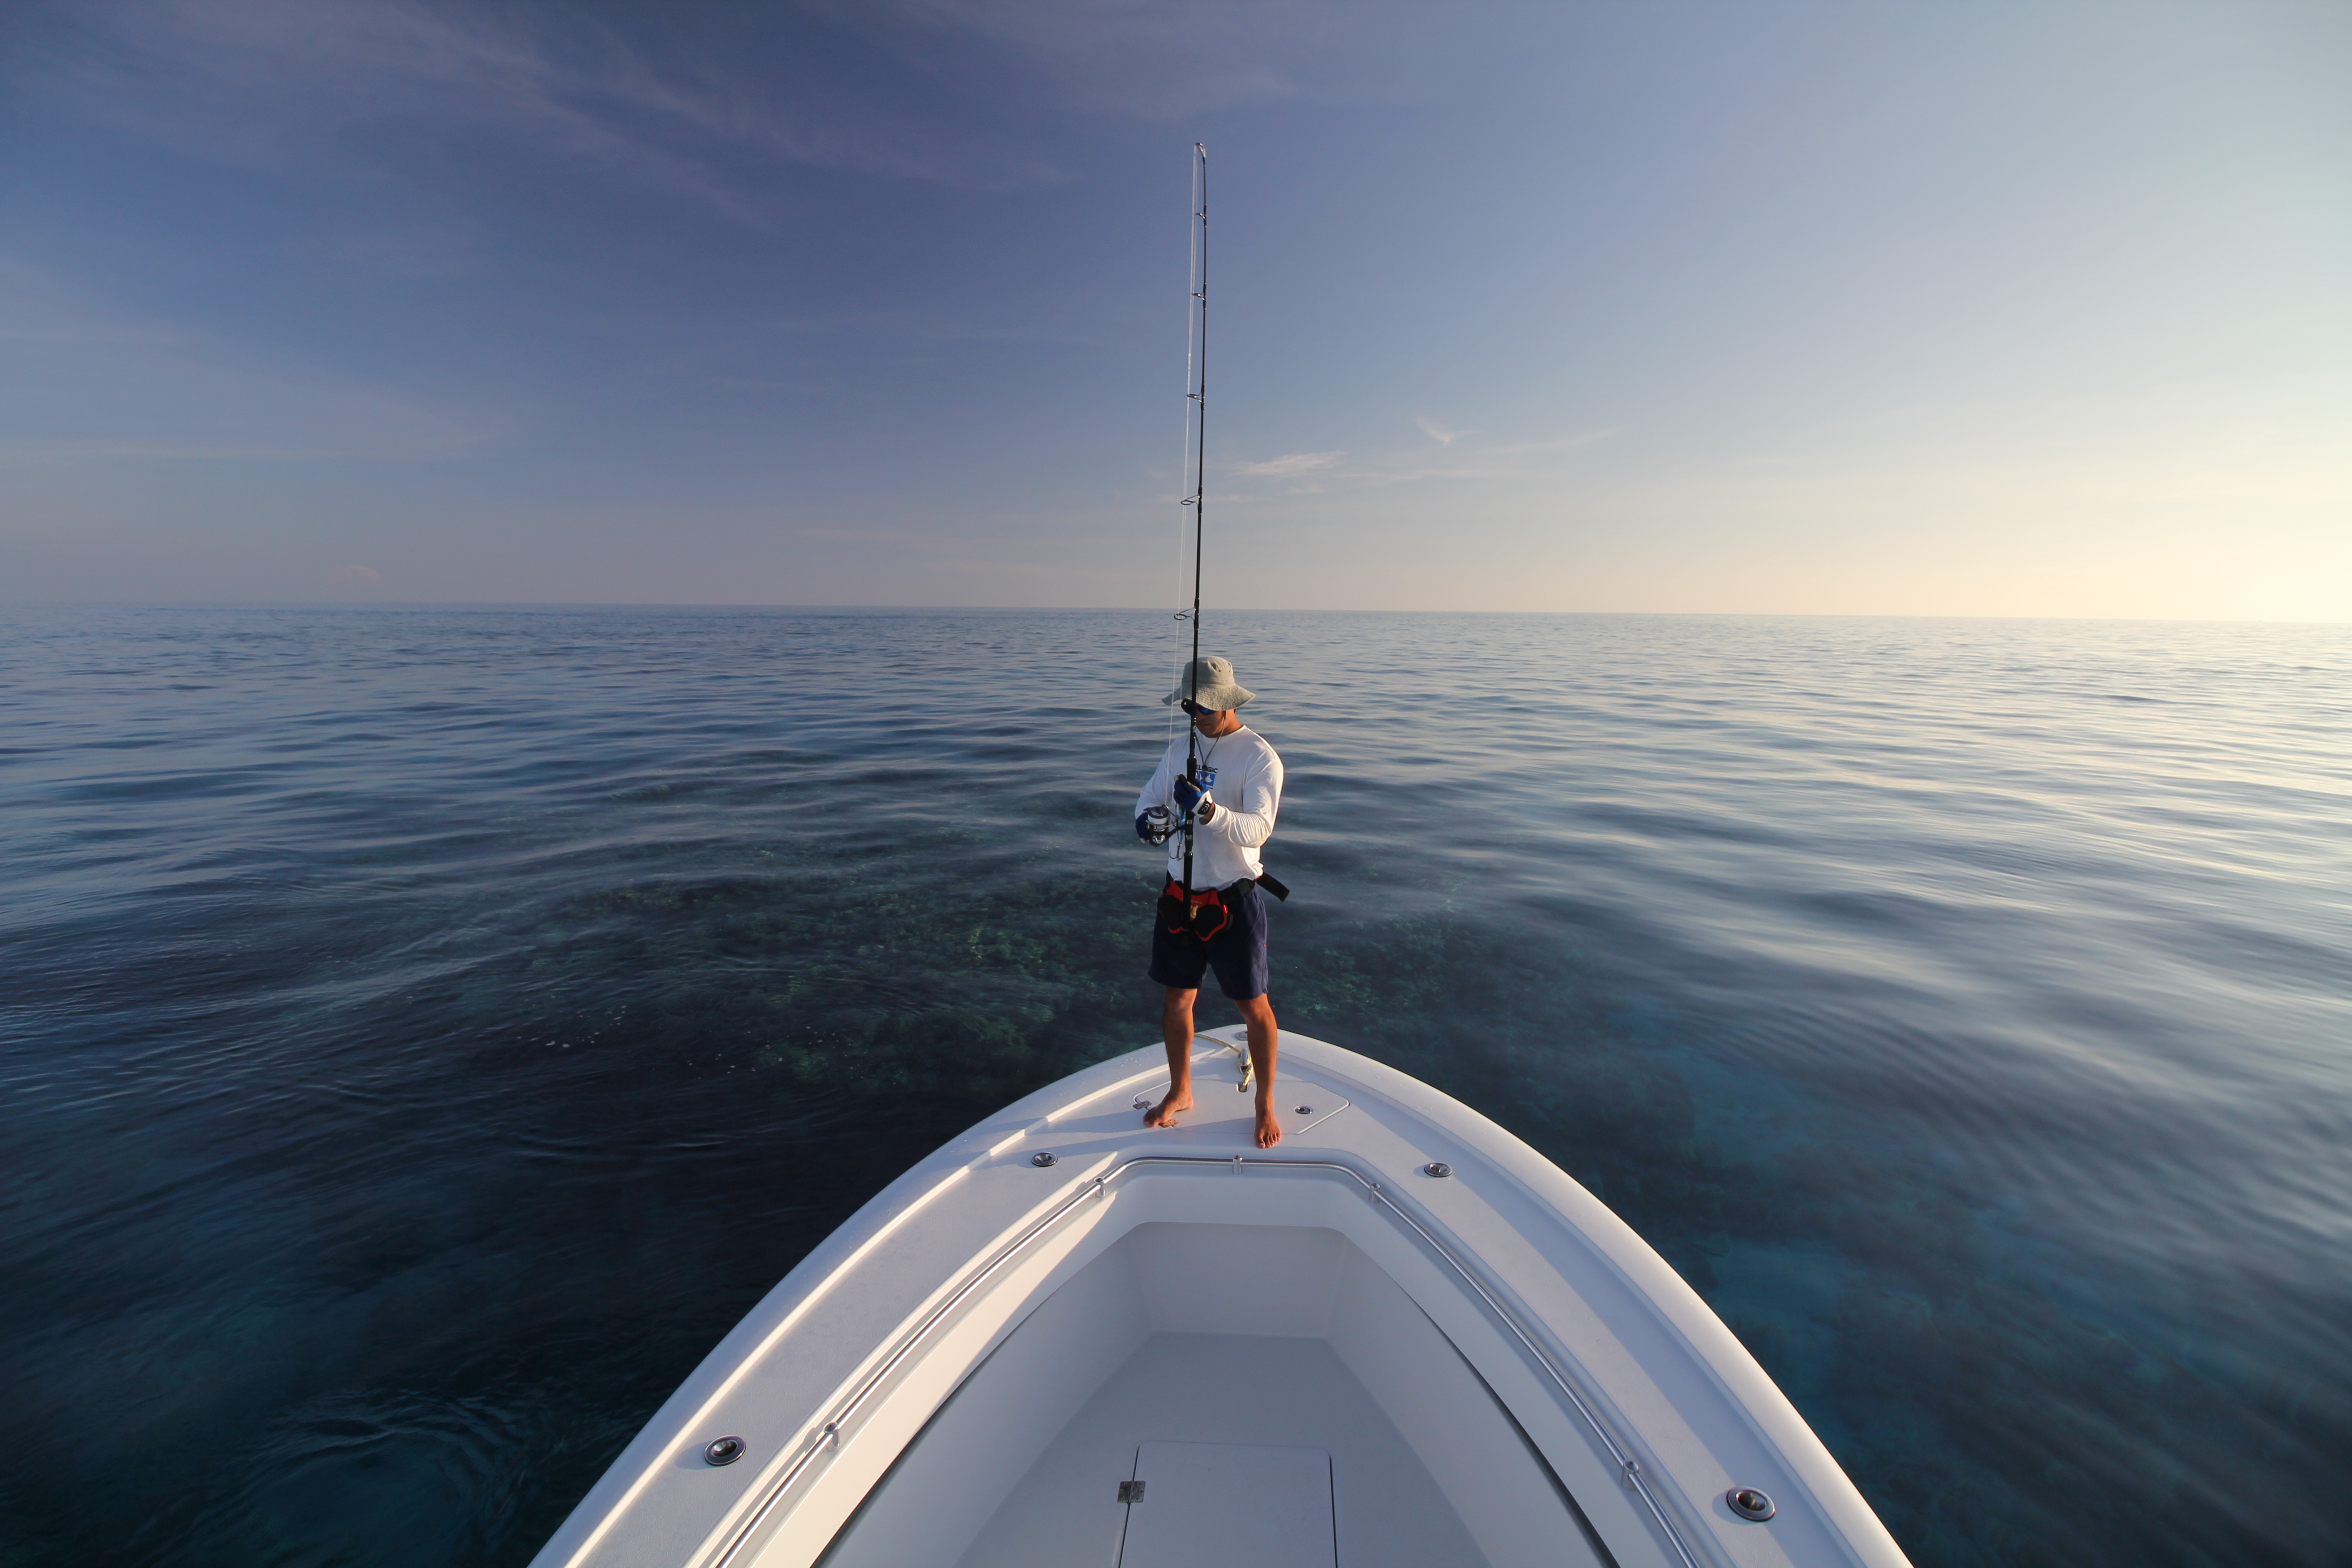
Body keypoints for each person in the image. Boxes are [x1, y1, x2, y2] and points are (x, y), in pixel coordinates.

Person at [1133, 655, 1286, 1147]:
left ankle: (1264, 1103)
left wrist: (1209, 810)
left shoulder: (1259, 756)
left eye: (1203, 706)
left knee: (1253, 1006)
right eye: (1188, 705)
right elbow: (1149, 798)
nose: (1195, 714)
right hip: (1179, 898)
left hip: (1232, 902)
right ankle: (1181, 1091)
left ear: (1225, 704)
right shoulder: (1180, 749)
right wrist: (1148, 821)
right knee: (1177, 1000)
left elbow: (1260, 828)